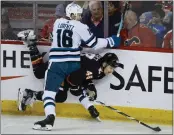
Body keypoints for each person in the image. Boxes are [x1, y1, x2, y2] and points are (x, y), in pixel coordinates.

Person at [18, 3, 121, 131]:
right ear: (72, 15)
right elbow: (94, 43)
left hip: (57, 63)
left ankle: (50, 118)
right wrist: (111, 40)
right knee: (59, 92)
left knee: (50, 92)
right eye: (77, 15)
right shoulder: (81, 26)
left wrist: (89, 101)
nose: (79, 17)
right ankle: (32, 46)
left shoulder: (57, 23)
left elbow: (64, 34)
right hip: (73, 64)